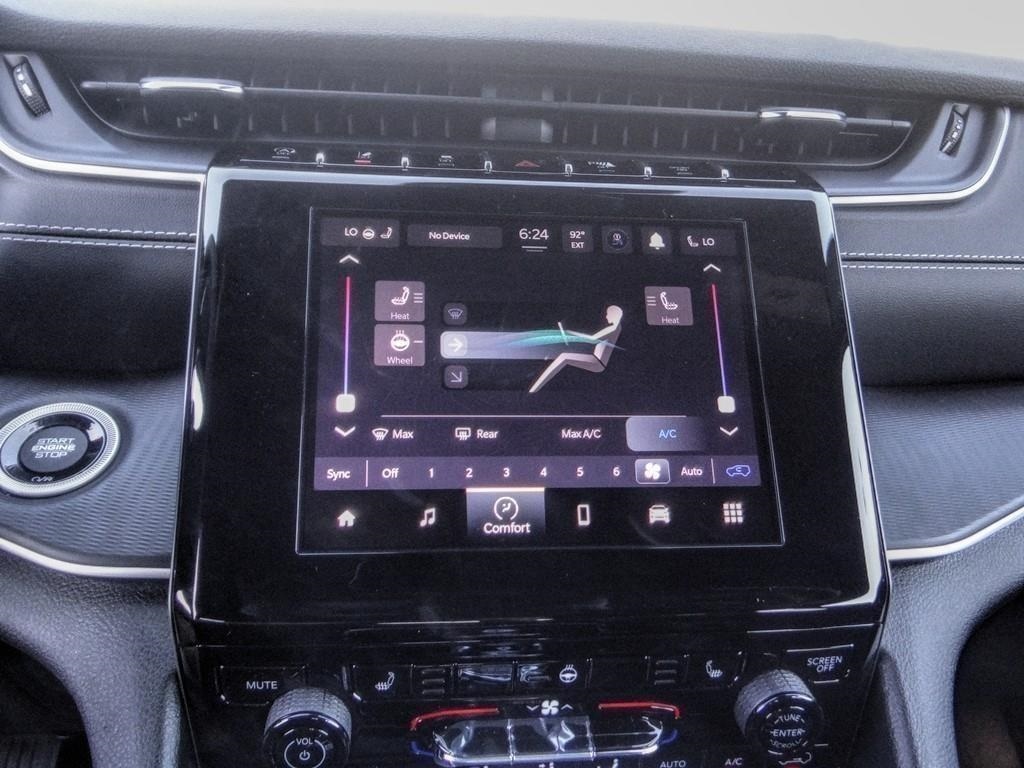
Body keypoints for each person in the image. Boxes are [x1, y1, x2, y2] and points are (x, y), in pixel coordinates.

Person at [528, 306, 623, 393]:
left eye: (608, 314)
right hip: (596, 360)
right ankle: (535, 386)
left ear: (615, 315)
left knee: (563, 357)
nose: (606, 316)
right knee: (566, 354)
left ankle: (534, 389)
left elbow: (592, 339)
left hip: (597, 362)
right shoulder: (617, 327)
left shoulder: (612, 328)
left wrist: (571, 333)